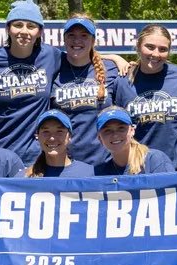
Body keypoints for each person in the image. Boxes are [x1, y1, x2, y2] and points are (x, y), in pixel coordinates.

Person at [0, 0, 127, 163]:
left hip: (38, 156)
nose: (24, 31)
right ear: (8, 28)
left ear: (39, 32)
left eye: (31, 26)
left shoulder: (49, 56)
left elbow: (83, 56)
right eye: (18, 24)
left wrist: (116, 58)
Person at [52, 14, 135, 166]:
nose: (77, 41)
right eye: (71, 35)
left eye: (84, 35)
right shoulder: (53, 68)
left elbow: (128, 113)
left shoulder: (111, 69)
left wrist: (116, 58)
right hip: (66, 163)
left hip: (107, 161)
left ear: (93, 40)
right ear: (64, 39)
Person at [125, 24, 177, 170]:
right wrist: (114, 57)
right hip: (138, 169)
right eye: (149, 47)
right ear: (138, 46)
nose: (156, 54)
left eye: (163, 49)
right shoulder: (123, 81)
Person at [93, 106, 175, 175]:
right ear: (100, 138)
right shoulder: (101, 173)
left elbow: (171, 193)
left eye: (121, 128)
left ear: (132, 130)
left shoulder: (154, 160)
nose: (115, 135)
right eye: (107, 130)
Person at [25, 109, 94, 177]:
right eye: (46, 131)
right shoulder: (25, 176)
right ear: (37, 136)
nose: (52, 138)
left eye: (59, 131)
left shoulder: (87, 173)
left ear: (69, 136)